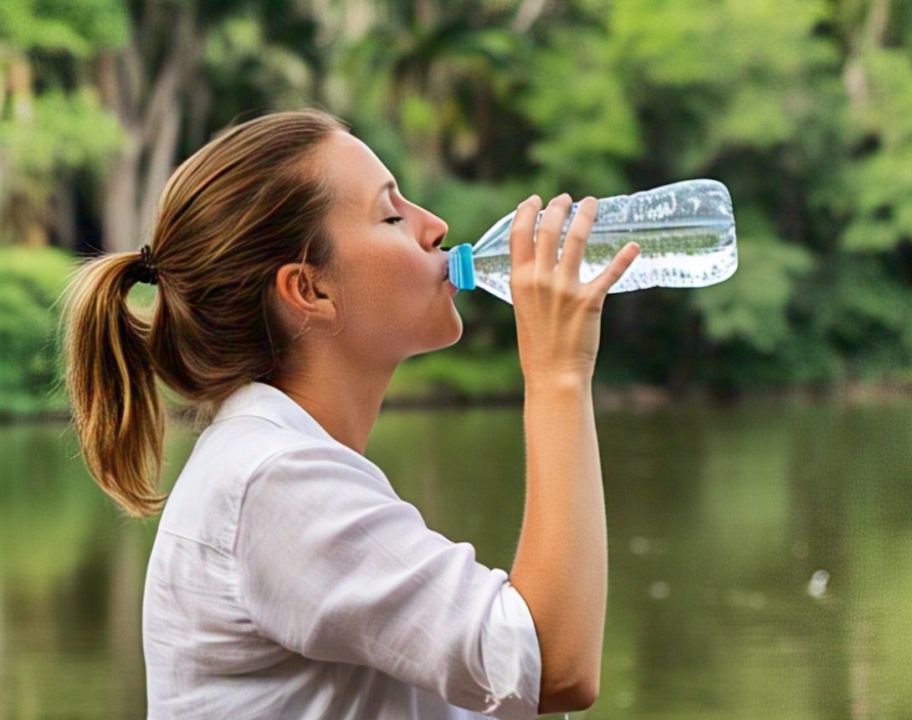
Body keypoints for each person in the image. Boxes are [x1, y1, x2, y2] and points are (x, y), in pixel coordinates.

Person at [57, 108, 640, 719]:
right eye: (392, 214)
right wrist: (557, 376)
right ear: (311, 291)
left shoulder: (282, 464)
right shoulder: (273, 482)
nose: (435, 226)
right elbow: (553, 664)